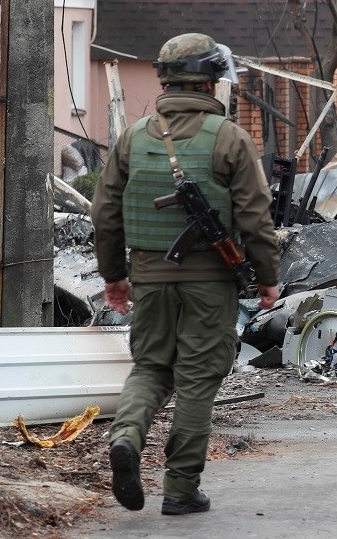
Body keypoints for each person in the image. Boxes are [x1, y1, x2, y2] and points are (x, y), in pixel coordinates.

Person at [91, 33, 282, 516]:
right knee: (197, 378)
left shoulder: (133, 137)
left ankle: (127, 439)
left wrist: (114, 276)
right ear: (211, 82)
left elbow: (105, 213)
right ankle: (179, 489)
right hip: (211, 283)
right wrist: (267, 277)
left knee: (151, 368)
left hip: (149, 279)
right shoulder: (230, 138)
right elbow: (256, 218)